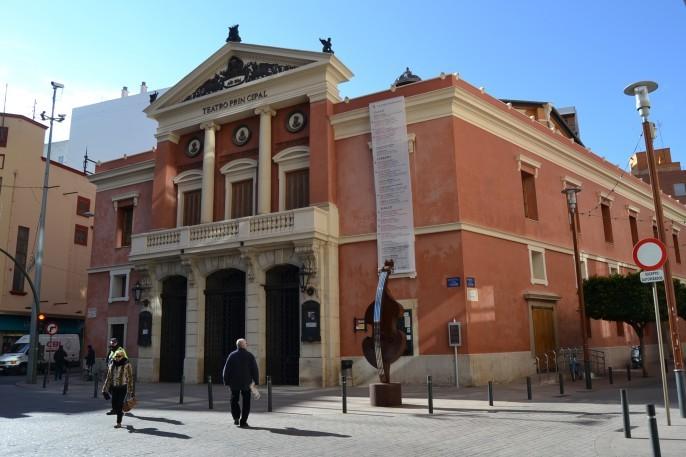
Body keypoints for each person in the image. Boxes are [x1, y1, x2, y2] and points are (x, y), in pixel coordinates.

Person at [222, 338, 259, 428]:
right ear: (244, 345)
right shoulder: (250, 355)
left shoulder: (232, 355)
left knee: (234, 400)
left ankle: (236, 417)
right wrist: (256, 381)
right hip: (247, 383)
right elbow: (255, 369)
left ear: (237, 346)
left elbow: (226, 370)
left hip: (234, 383)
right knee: (246, 402)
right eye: (246, 343)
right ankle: (243, 421)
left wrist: (226, 381)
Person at [102, 348, 134, 429]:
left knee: (119, 405)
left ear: (122, 356)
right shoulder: (112, 364)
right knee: (114, 404)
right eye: (116, 356)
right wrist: (104, 390)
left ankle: (118, 423)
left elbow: (130, 377)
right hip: (114, 387)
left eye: (119, 356)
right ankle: (120, 412)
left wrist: (131, 390)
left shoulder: (127, 364)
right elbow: (108, 377)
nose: (117, 358)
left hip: (123, 387)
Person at [105, 338, 124, 415]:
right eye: (111, 343)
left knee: (114, 391)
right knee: (111, 390)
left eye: (113, 343)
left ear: (116, 343)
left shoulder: (120, 350)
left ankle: (116, 409)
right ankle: (118, 406)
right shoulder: (111, 350)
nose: (111, 344)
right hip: (110, 373)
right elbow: (108, 360)